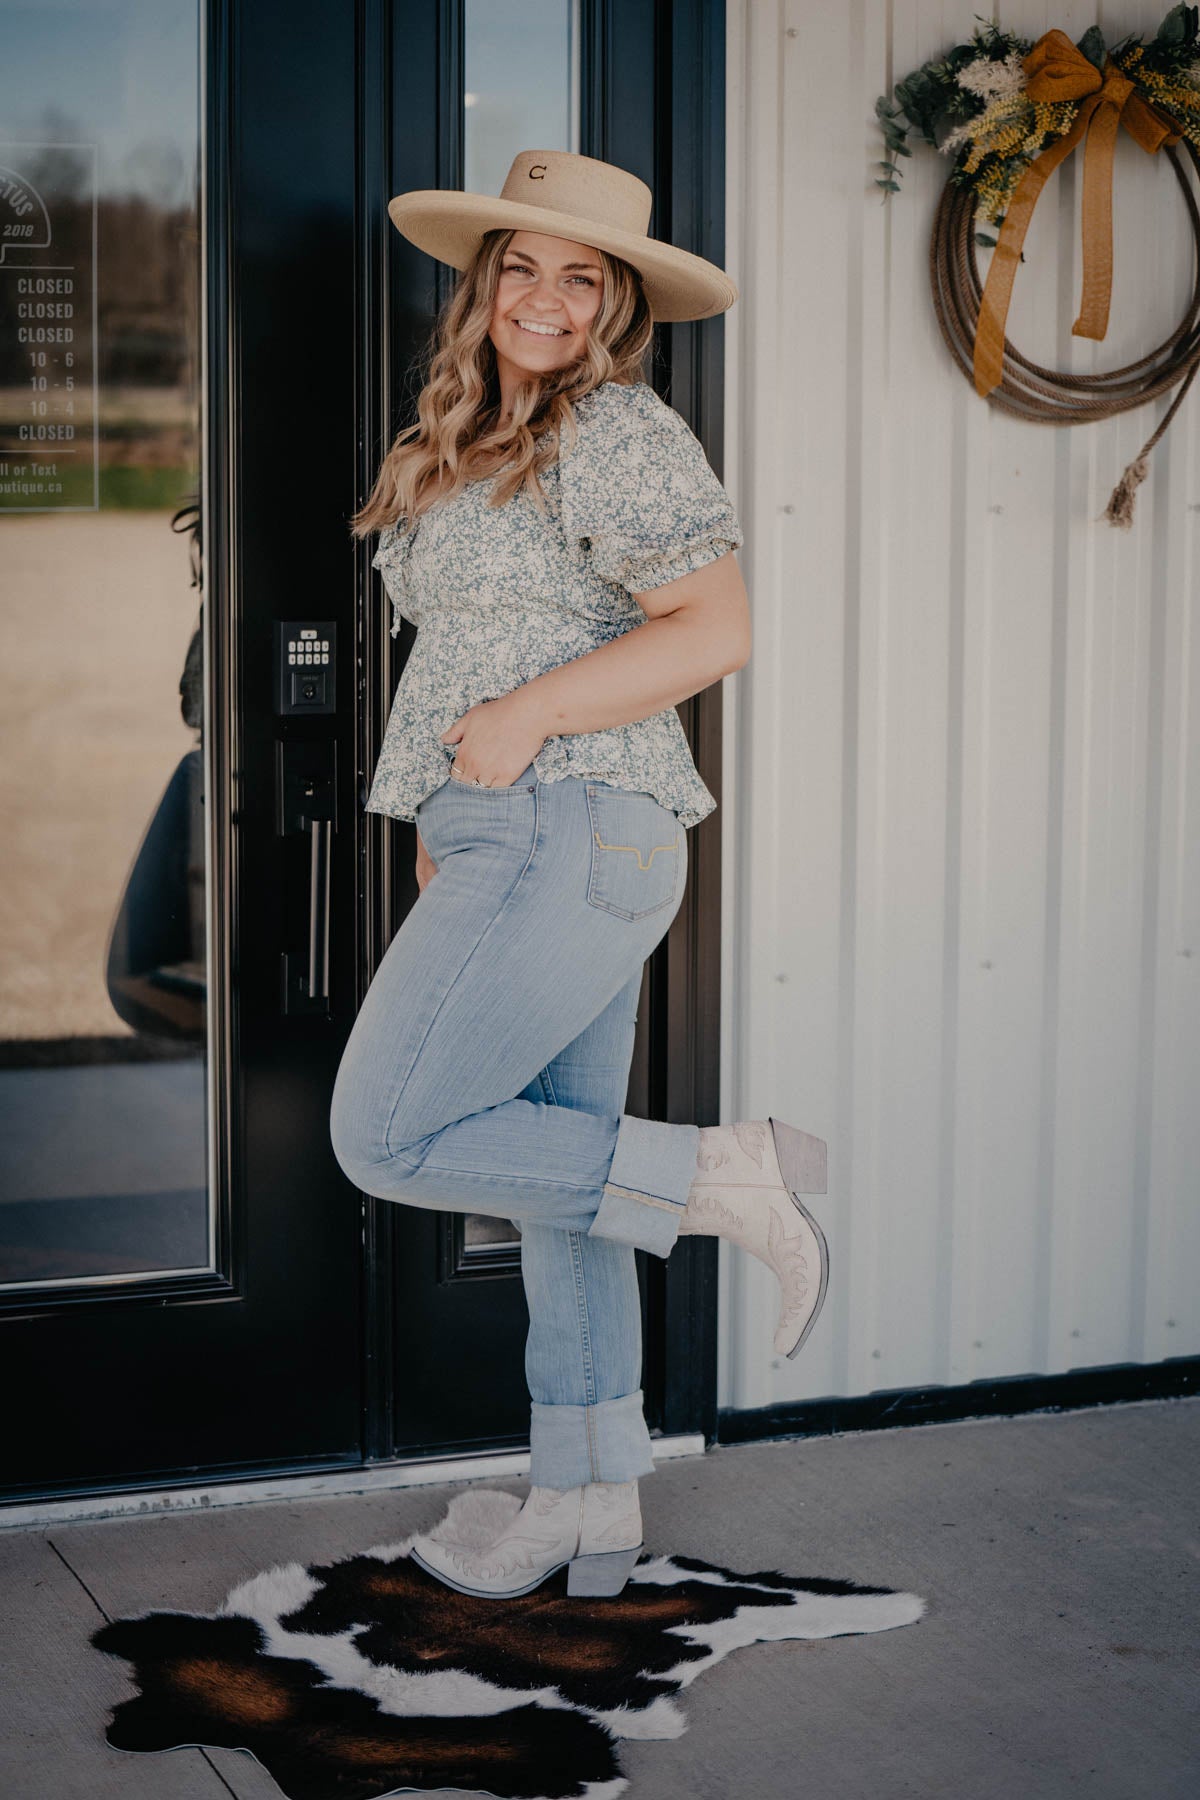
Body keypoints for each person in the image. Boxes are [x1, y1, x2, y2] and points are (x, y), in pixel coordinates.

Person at [329, 149, 829, 1602]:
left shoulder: (615, 426)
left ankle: (731, 1173)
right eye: (523, 269)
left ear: (615, 306)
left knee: (389, 1135)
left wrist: (526, 720)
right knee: (566, 1188)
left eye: (582, 275)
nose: (546, 298)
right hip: (525, 834)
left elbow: (712, 630)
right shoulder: (475, 431)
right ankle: (588, 1505)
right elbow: (466, 659)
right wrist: (443, 806)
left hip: (575, 818)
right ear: (485, 285)